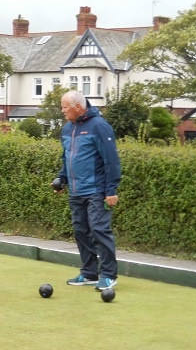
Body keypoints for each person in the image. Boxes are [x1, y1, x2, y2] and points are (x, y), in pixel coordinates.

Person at [51, 90, 121, 291]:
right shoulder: (67, 129)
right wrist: (62, 179)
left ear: (78, 107)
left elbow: (111, 160)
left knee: (99, 230)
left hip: (97, 190)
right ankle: (89, 272)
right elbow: (68, 158)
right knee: (81, 231)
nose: (62, 110)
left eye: (65, 107)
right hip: (75, 190)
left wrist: (111, 190)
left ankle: (108, 275)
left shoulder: (99, 126)